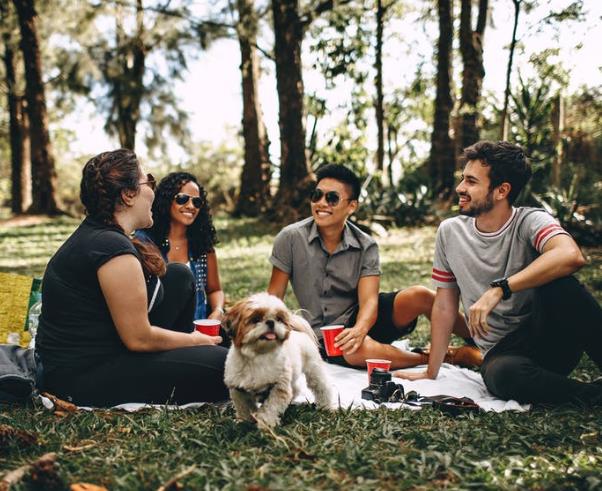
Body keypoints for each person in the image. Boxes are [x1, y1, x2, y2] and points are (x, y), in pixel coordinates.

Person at [396, 140, 602, 405]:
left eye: (471, 181)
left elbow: (571, 255)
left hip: (549, 337)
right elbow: (445, 306)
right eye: (463, 179)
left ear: (502, 190)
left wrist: (500, 288)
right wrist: (430, 371)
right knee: (501, 375)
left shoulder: (531, 220)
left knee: (562, 285)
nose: (460, 188)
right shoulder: (450, 232)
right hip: (503, 354)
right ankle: (592, 396)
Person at [36, 150, 228, 407]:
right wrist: (195, 340)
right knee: (229, 367)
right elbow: (138, 338)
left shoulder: (104, 236)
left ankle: (190, 356)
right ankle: (194, 357)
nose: (153, 190)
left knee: (179, 276)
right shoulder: (110, 248)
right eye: (148, 181)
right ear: (128, 195)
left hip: (111, 348)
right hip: (84, 376)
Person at [267, 163, 481, 369]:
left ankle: (480, 342)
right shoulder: (290, 238)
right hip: (323, 336)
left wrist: (359, 329)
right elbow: (273, 297)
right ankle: (441, 357)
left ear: (351, 206)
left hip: (363, 318)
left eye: (332, 198)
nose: (321, 203)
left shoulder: (366, 245)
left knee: (421, 295)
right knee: (355, 350)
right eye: (317, 195)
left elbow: (369, 301)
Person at [137, 172, 224, 322]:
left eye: (197, 202)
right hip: (159, 331)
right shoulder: (144, 242)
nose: (191, 206)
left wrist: (218, 311)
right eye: (182, 199)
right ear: (166, 200)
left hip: (199, 330)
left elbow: (214, 290)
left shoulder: (202, 245)